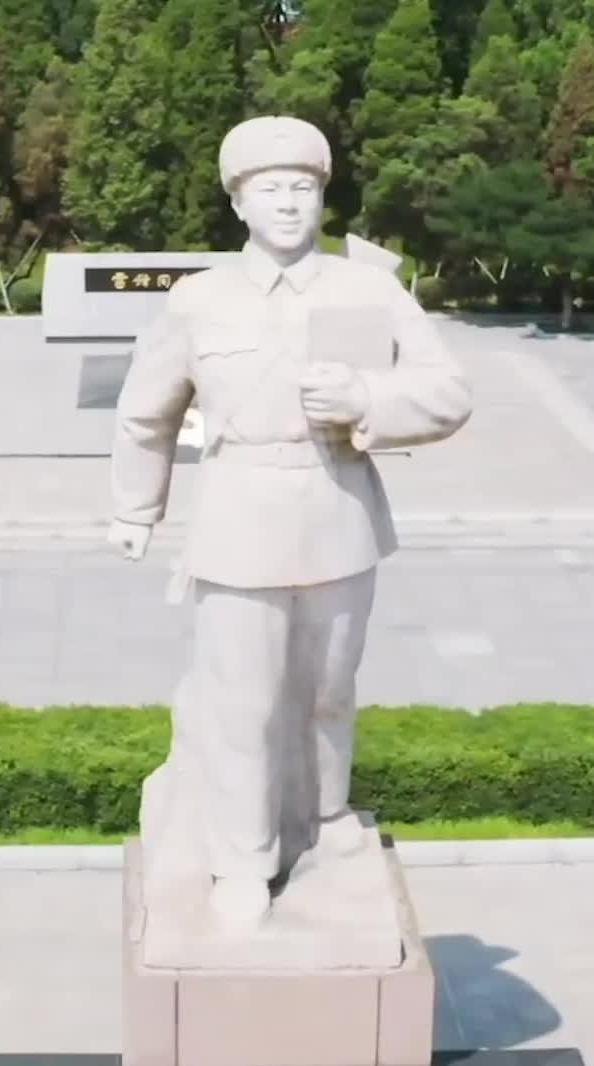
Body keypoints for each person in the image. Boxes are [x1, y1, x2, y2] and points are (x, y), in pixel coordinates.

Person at [107, 115, 474, 932]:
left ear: (322, 197)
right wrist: (136, 508)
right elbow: (146, 413)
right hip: (238, 518)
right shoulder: (199, 301)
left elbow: (449, 391)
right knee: (243, 703)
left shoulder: (368, 289)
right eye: (269, 188)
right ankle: (242, 860)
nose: (286, 203)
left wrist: (368, 399)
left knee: (328, 690)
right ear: (238, 203)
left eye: (302, 187)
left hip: (338, 510)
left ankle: (325, 815)